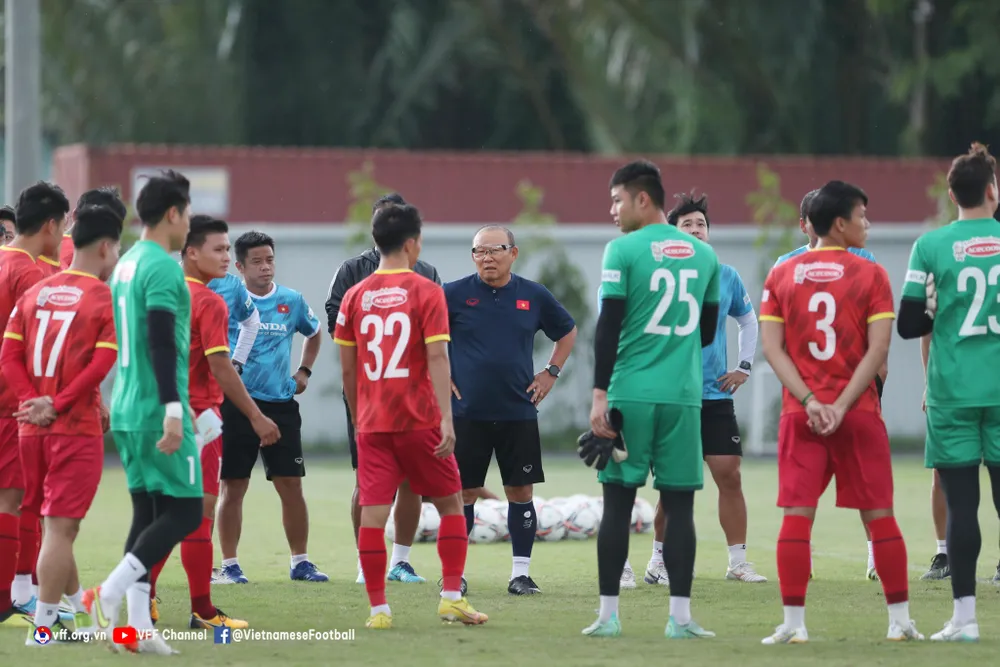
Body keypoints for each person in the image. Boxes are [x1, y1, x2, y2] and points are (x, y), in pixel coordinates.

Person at [759, 180, 921, 645]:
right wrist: (843, 404)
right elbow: (879, 350)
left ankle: (793, 625)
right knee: (880, 516)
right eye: (862, 216)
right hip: (860, 414)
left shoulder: (782, 275)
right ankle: (900, 622)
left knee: (797, 516)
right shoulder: (872, 276)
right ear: (839, 224)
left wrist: (812, 402)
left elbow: (773, 348)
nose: (867, 224)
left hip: (802, 415)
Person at [582, 160, 718, 639]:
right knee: (680, 507)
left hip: (629, 395)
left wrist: (599, 395)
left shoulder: (622, 250)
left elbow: (609, 327)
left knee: (618, 504)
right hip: (683, 398)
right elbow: (705, 332)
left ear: (644, 199)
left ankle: (607, 617)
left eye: (617, 199)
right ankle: (680, 620)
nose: (612, 209)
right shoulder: (707, 257)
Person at [334, 203, 487, 629]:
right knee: (451, 503)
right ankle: (452, 597)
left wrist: (358, 413)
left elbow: (348, 369)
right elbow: (438, 356)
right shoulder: (426, 290)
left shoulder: (354, 296)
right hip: (420, 420)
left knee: (373, 512)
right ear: (412, 242)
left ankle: (379, 609)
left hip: (373, 422)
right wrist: (446, 418)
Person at [82, 170, 204, 655]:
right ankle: (105, 594)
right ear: (173, 214)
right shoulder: (161, 266)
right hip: (157, 407)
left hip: (130, 405)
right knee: (187, 510)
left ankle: (135, 631)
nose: (189, 221)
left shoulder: (128, 261)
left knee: (148, 513)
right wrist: (174, 408)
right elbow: (158, 337)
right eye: (188, 211)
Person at [145, 216, 280, 629]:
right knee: (198, 514)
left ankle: (145, 598)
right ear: (190, 252)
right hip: (197, 417)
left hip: (155, 414)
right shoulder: (207, 301)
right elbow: (220, 365)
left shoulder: (158, 292)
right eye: (218, 250)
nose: (226, 257)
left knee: (167, 512)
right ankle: (201, 610)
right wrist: (257, 416)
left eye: (227, 249)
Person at [0, 204, 122, 642]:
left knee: (55, 523)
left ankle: (82, 610)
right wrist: (61, 402)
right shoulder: (104, 298)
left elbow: (8, 355)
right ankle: (46, 627)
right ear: (108, 248)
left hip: (30, 428)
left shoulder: (37, 292)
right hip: (73, 428)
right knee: (60, 526)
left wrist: (34, 401)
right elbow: (102, 363)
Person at [897, 142, 1000, 642]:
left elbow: (908, 323)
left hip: (953, 392)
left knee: (963, 507)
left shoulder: (931, 247)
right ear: (992, 190)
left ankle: (964, 619)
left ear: (951, 193)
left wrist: (940, 305)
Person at [639, 192, 765, 585]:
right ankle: (658, 560)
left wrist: (744, 366)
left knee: (729, 473)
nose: (696, 230)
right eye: (687, 224)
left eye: (701, 225)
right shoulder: (657, 274)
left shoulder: (724, 274)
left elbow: (748, 320)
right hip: (672, 395)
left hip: (714, 394)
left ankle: (738, 562)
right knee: (675, 483)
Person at [446, 224, 577, 596]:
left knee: (520, 492)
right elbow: (425, 338)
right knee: (463, 493)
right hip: (465, 413)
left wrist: (551, 373)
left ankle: (520, 574)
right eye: (479, 251)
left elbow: (567, 332)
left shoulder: (534, 295)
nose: (486, 258)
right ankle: (455, 574)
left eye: (495, 250)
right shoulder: (452, 294)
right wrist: (440, 379)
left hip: (517, 412)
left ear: (513, 253)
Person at [325, 192, 440, 585]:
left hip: (413, 394)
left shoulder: (426, 274)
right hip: (369, 392)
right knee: (369, 481)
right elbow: (335, 321)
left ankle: (400, 560)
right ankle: (366, 562)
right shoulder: (352, 272)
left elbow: (438, 341)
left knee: (412, 481)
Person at [774, 188, 887, 581]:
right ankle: (898, 615)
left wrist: (875, 385)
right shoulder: (788, 265)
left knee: (845, 495)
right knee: (808, 501)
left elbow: (876, 344)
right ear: (804, 223)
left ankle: (871, 551)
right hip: (819, 398)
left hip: (836, 396)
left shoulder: (861, 261)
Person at [215, 231, 326, 584]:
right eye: (258, 262)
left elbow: (315, 331)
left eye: (270, 260)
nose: (266, 268)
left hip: (280, 405)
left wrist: (304, 371)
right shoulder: (226, 299)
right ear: (240, 266)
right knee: (233, 486)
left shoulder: (291, 300)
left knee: (291, 485)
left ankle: (301, 562)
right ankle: (230, 565)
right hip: (236, 405)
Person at [0, 181, 70, 626]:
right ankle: (13, 595)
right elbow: (41, 350)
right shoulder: (29, 274)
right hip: (16, 403)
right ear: (50, 225)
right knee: (16, 500)